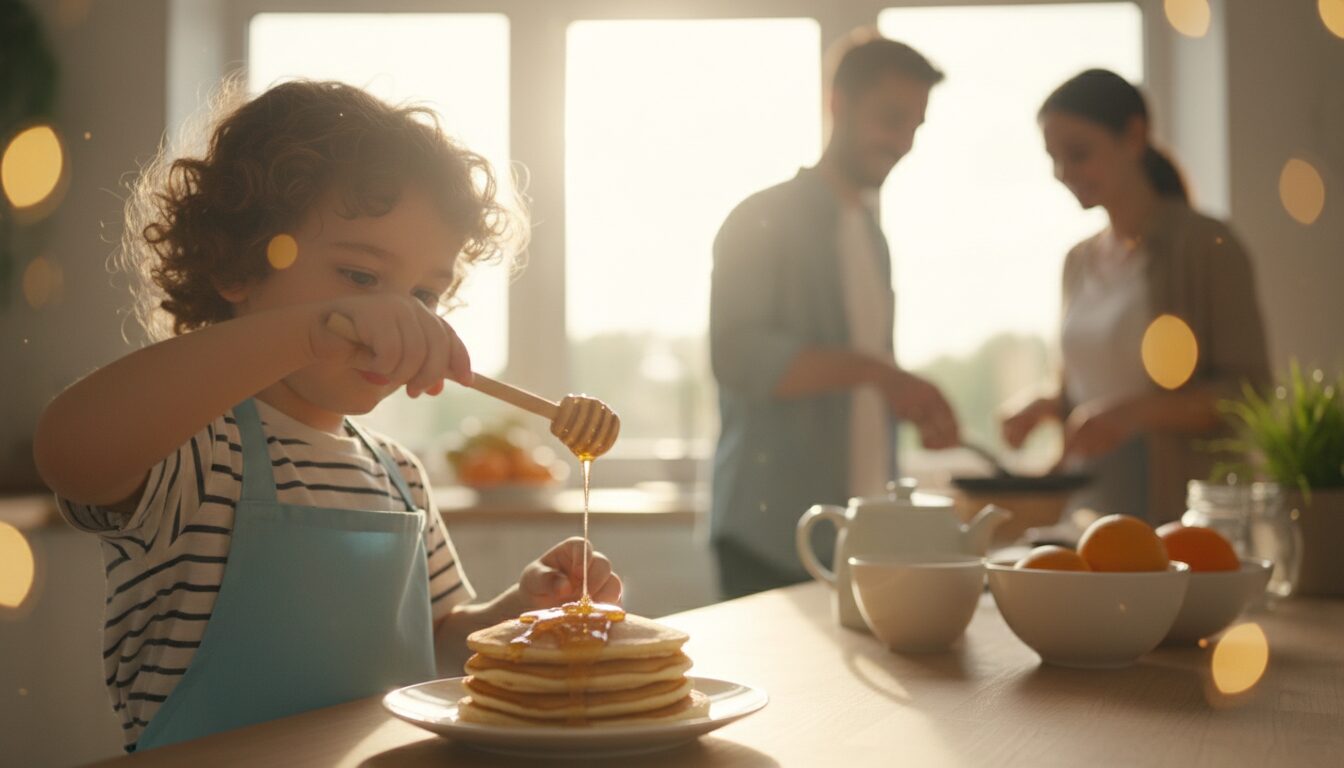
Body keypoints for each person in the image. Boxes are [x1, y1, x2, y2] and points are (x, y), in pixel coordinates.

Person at [33, 80, 622, 752]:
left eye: (425, 293)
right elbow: (70, 452)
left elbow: (439, 642)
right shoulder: (196, 451)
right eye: (361, 277)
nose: (397, 313)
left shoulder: (397, 472)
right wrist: (313, 330)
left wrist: (521, 614)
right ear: (237, 267)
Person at [709, 33, 960, 599]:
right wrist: (881, 374)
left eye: (915, 126)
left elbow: (863, 371)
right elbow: (740, 357)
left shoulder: (872, 236)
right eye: (891, 118)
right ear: (837, 105)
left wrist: (901, 396)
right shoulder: (758, 218)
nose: (903, 142)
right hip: (768, 536)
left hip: (856, 533)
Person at [1000, 69, 1270, 524]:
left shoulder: (1206, 245)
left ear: (1134, 136)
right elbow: (1089, 388)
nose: (1064, 173)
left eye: (1079, 154)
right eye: (1054, 158)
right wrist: (1046, 406)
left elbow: (1250, 394)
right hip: (1086, 511)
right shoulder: (1078, 261)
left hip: (1178, 514)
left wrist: (1134, 414)